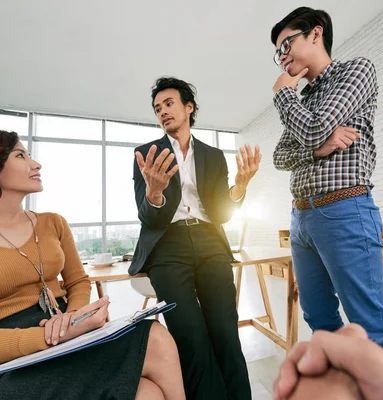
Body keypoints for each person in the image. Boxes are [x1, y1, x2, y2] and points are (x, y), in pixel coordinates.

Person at [0, 128, 185, 400]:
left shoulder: (53, 222)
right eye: (21, 156)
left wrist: (75, 318)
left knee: (154, 341)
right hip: (5, 366)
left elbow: (77, 281)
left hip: (69, 340)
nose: (36, 164)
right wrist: (54, 336)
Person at [270, 6, 383, 340]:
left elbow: (313, 128)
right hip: (301, 220)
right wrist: (317, 150)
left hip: (344, 210)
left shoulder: (356, 71)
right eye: (277, 53)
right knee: (318, 318)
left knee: (369, 323)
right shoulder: (304, 99)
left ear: (316, 33)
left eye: (286, 45)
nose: (282, 57)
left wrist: (284, 93)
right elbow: (280, 157)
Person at [130, 77, 261, 399]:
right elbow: (149, 216)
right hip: (168, 245)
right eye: (157, 108)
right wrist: (155, 193)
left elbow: (221, 213)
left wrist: (240, 187)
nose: (163, 112)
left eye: (169, 103)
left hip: (209, 241)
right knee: (190, 334)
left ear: (189, 107)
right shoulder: (146, 155)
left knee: (225, 331)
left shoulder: (213, 156)